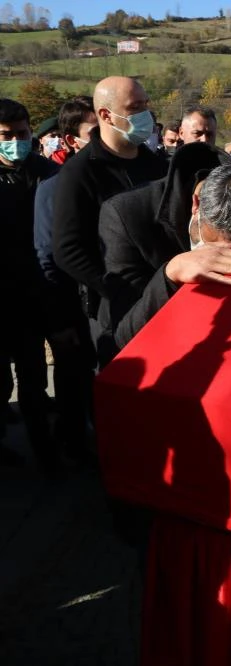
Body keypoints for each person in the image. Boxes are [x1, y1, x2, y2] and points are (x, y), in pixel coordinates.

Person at [98, 147, 231, 359]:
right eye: (222, 250)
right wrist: (170, 275)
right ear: (196, 206)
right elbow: (123, 335)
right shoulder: (125, 215)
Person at [53, 76, 168, 363]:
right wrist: (115, 289)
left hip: (165, 296)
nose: (146, 115)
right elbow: (68, 249)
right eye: (135, 107)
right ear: (106, 115)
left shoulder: (158, 166)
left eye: (146, 105)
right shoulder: (79, 173)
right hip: (117, 309)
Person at [34, 96, 99, 457]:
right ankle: (74, 442)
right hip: (74, 305)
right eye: (94, 132)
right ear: (72, 140)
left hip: (113, 302)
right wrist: (59, 320)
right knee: (74, 377)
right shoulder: (54, 187)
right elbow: (48, 256)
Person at [0, 98, 60, 471]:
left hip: (34, 291)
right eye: (6, 136)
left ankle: (45, 450)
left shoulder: (45, 173)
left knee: (34, 376)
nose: (16, 142)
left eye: (22, 134)